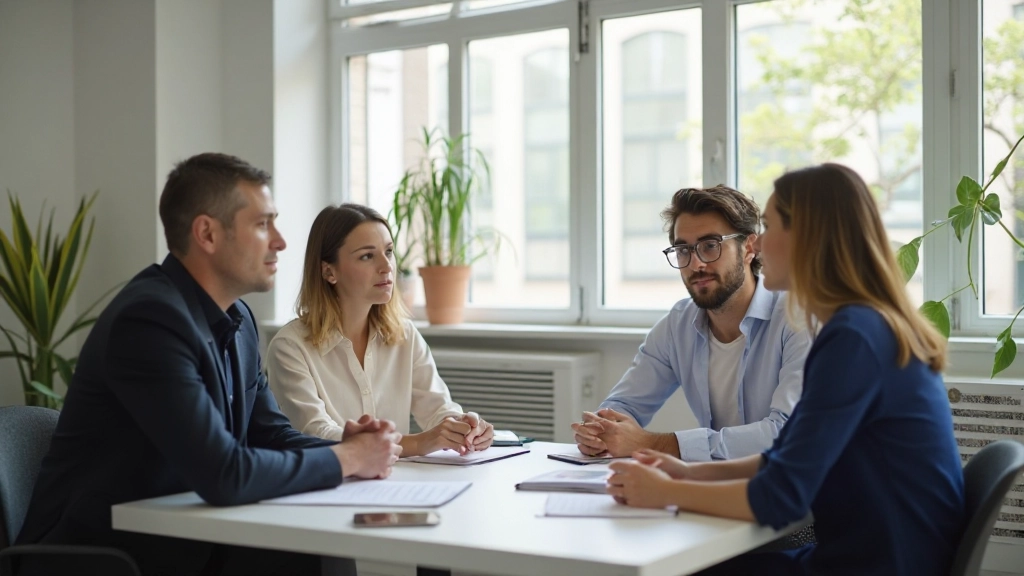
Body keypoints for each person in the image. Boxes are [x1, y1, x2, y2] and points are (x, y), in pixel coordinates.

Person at [15, 153, 402, 576]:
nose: (280, 241)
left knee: (315, 554)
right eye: (262, 224)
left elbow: (270, 434)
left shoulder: (240, 321)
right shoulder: (148, 322)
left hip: (183, 539)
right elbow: (225, 474)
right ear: (207, 233)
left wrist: (351, 449)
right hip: (104, 557)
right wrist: (348, 458)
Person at [606, 164, 966, 575]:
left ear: (808, 237)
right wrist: (688, 472)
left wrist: (667, 492)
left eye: (771, 226)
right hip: (866, 554)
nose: (760, 243)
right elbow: (785, 457)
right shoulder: (863, 325)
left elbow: (781, 496)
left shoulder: (853, 338)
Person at [573, 186, 811, 461]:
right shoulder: (677, 325)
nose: (696, 264)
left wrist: (655, 444)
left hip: (786, 492)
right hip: (714, 483)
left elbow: (786, 433)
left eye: (710, 246)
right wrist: (601, 430)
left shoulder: (797, 318)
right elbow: (625, 404)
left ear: (748, 249)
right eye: (683, 249)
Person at [267, 203, 494, 457]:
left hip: (395, 484)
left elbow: (438, 409)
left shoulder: (405, 335)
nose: (387, 266)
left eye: (389, 251)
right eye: (367, 256)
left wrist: (463, 426)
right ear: (329, 271)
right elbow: (316, 434)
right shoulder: (289, 347)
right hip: (330, 487)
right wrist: (419, 443)